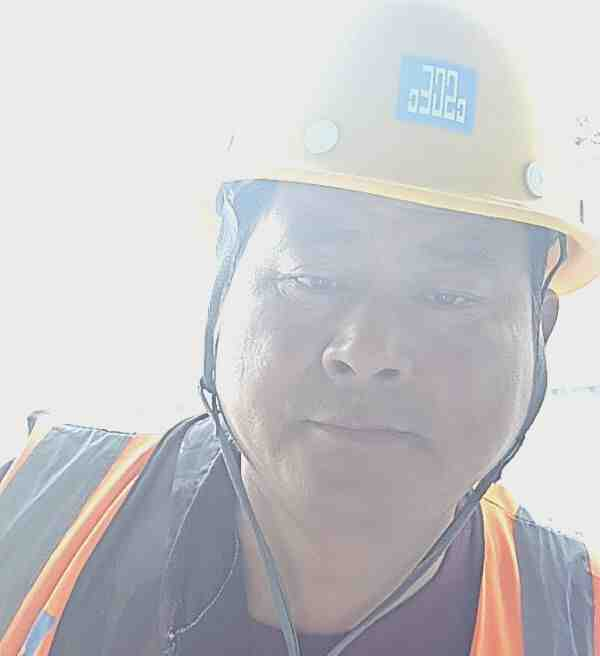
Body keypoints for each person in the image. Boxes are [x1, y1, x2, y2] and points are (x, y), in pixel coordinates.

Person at [1, 2, 599, 655]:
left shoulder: (579, 622)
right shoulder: (24, 520)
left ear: (539, 330)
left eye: (448, 296)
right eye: (312, 278)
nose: (367, 351)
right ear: (225, 285)